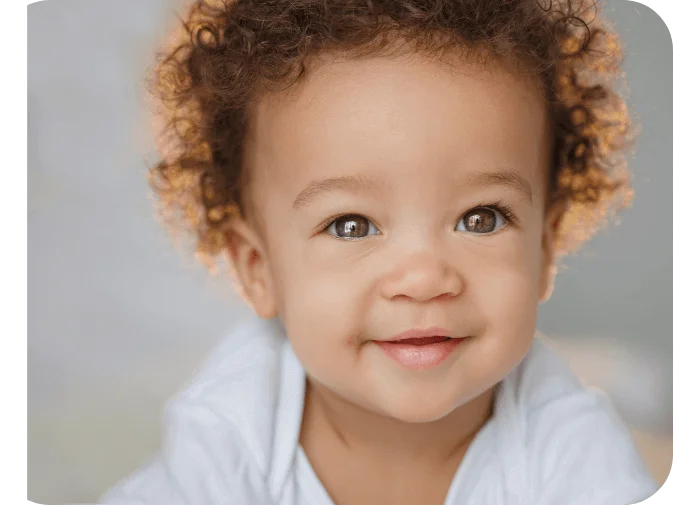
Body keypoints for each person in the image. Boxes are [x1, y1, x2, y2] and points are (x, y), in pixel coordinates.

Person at [101, 0, 658, 503]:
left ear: (544, 246)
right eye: (351, 225)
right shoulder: (229, 434)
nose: (422, 279)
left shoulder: (571, 450)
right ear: (258, 268)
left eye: (480, 218)